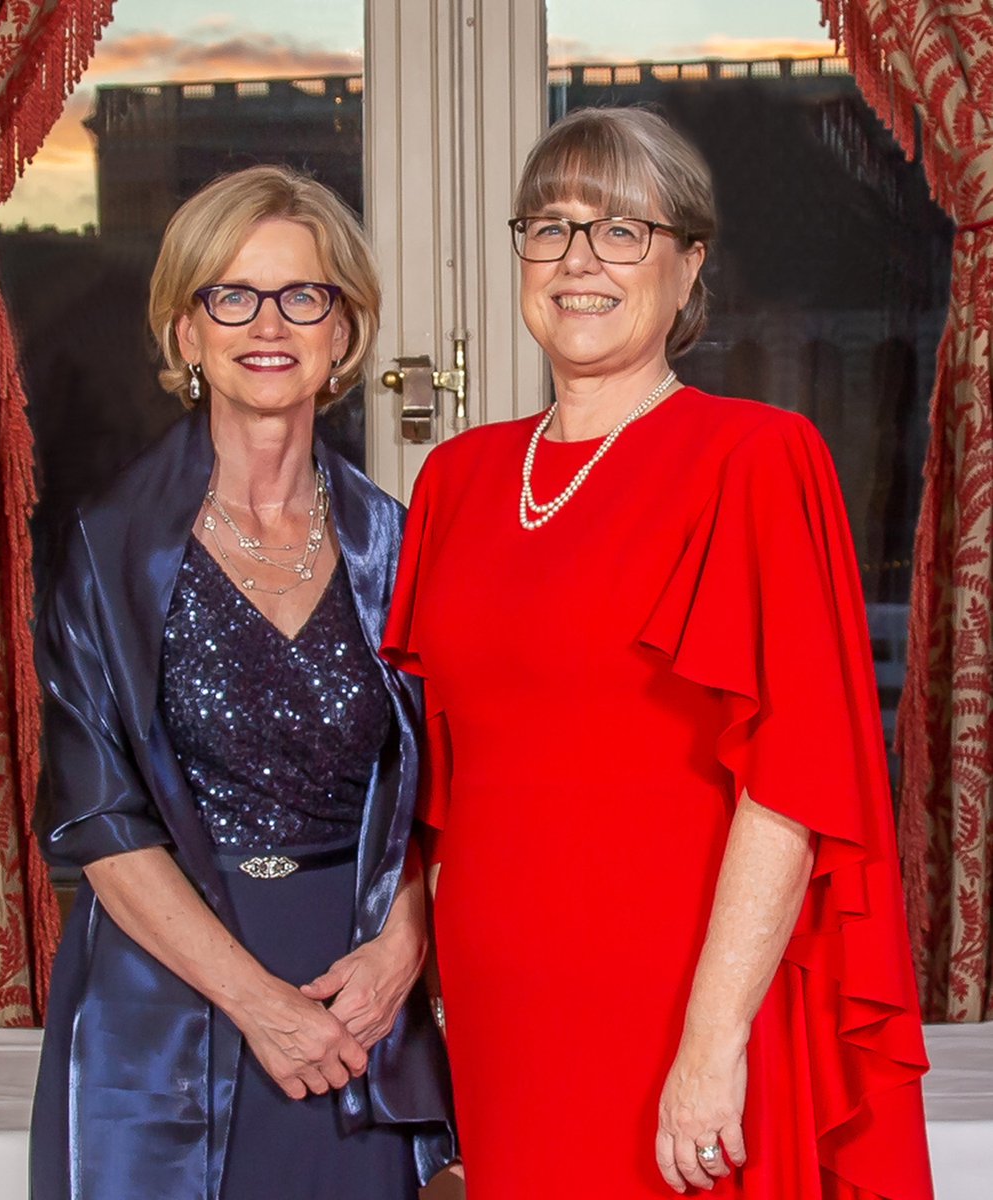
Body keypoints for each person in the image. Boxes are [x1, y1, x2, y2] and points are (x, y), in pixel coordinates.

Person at [381, 107, 934, 1200]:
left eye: (619, 230)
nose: (576, 261)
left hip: (677, 999)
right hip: (502, 1006)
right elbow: (437, 784)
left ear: (688, 269)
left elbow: (793, 785)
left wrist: (710, 1047)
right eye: (547, 228)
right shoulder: (456, 479)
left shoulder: (755, 459)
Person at [31, 164, 454, 1200]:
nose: (268, 323)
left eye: (303, 295)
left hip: (354, 998)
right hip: (168, 992)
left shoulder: (402, 548)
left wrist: (401, 948)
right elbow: (100, 823)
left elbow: (455, 792)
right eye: (231, 294)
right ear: (186, 331)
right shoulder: (108, 547)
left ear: (343, 333)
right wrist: (261, 1006)